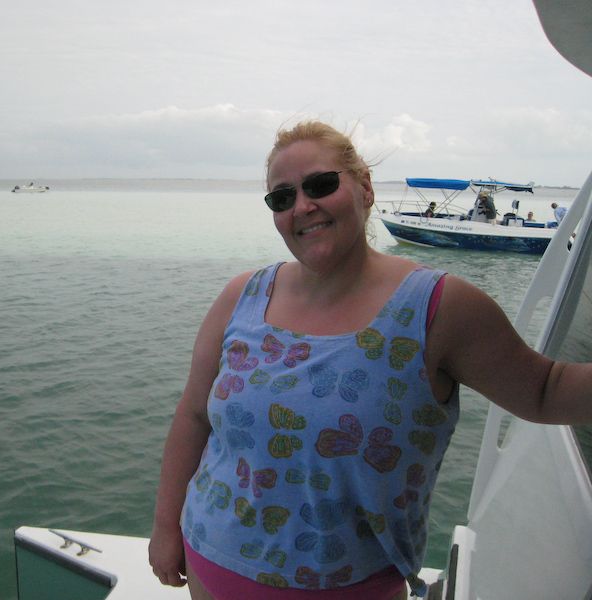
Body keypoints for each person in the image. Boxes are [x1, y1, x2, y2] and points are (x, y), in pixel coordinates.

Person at [149, 120, 592, 600]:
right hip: (211, 563)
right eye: (282, 197)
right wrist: (166, 527)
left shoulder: (437, 308)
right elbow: (194, 416)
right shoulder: (243, 296)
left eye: (321, 184)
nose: (302, 206)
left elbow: (545, 391)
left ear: (365, 188)